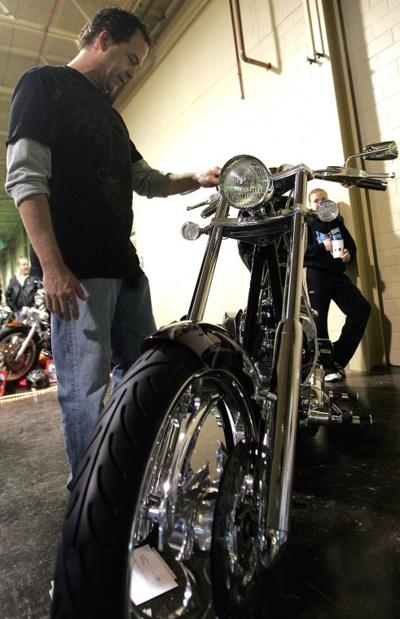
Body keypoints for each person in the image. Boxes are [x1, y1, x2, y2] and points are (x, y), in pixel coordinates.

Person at [4, 8, 220, 485]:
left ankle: (125, 475)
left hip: (125, 269)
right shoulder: (43, 86)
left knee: (142, 377)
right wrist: (53, 267)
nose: (132, 72)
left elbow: (149, 180)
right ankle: (90, 493)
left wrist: (198, 178)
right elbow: (25, 179)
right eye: (131, 59)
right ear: (103, 39)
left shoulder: (112, 119)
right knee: (83, 389)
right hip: (79, 272)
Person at [304, 188, 371, 382]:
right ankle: (325, 368)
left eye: (323, 199)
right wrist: (321, 247)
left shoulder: (336, 222)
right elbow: (300, 250)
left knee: (361, 309)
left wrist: (349, 255)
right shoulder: (307, 223)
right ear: (310, 205)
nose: (320, 203)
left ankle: (337, 358)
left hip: (338, 275)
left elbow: (351, 246)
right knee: (319, 322)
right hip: (317, 275)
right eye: (316, 200)